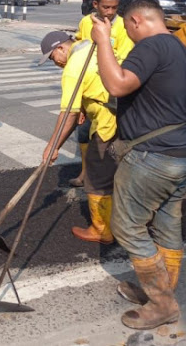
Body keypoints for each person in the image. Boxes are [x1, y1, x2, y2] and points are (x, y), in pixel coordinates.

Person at [91, 0, 186, 330]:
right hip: (183, 154)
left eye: (126, 26)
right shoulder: (183, 52)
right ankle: (162, 293)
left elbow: (118, 83)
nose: (128, 32)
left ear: (137, 21)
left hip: (153, 158)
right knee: (167, 226)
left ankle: (163, 304)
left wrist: (102, 42)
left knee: (127, 227)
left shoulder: (151, 47)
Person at [39, 31, 117, 244]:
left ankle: (102, 230)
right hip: (127, 115)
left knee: (96, 173)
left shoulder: (73, 67)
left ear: (60, 49)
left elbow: (68, 114)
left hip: (108, 121)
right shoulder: (91, 46)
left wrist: (53, 146)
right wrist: (84, 103)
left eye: (53, 58)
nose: (55, 63)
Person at [70, 0, 134, 188]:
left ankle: (108, 178)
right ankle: (84, 172)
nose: (110, 12)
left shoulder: (122, 27)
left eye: (114, 7)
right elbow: (78, 50)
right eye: (106, 7)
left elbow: (124, 59)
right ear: (95, 4)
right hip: (87, 90)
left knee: (105, 139)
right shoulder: (85, 22)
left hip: (108, 95)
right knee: (83, 132)